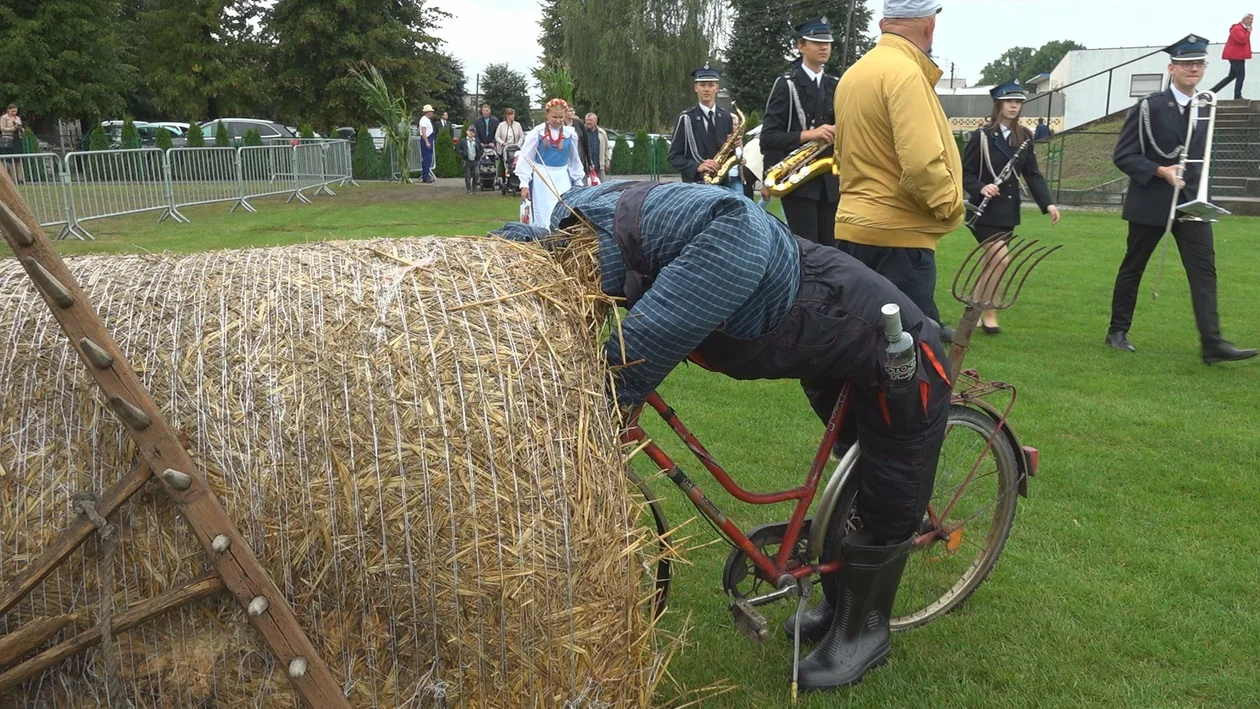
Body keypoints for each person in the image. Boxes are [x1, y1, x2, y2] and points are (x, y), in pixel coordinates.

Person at [491, 180, 952, 690]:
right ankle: (839, 594)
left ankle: (866, 631)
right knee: (853, 466)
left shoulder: (724, 234)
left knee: (892, 476)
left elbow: (651, 336)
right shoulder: (599, 219)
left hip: (885, 340)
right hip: (820, 335)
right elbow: (540, 257)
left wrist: (606, 395)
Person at [1107, 35, 1256, 364]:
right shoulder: (1149, 106)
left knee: (1204, 271)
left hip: (1192, 203)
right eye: (1187, 63)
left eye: (1199, 63)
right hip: (1151, 201)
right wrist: (1161, 170)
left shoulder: (1206, 104)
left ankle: (1212, 343)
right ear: (1171, 67)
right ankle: (1117, 331)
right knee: (1134, 267)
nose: (1194, 69)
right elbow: (1124, 156)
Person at [832, 0, 964, 341]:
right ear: (929, 25)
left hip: (854, 231)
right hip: (898, 238)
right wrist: (949, 204)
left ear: (883, 23)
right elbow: (921, 162)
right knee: (907, 360)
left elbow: (842, 154)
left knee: (861, 344)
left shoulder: (854, 74)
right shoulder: (905, 74)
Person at [961, 81, 1061, 334]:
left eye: (1018, 102)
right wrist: (981, 187)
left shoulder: (1025, 137)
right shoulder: (981, 136)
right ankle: (988, 310)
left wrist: (1048, 203)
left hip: (1007, 211)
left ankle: (975, 309)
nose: (1014, 106)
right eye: (1009, 102)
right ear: (999, 104)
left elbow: (1033, 174)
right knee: (1002, 260)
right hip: (983, 211)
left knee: (990, 264)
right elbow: (965, 173)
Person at [760, 19, 840, 245]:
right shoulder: (787, 85)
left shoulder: (835, 84)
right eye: (816, 42)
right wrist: (809, 135)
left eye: (828, 43)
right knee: (806, 251)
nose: (824, 47)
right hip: (799, 182)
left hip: (830, 183)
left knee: (833, 251)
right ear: (801, 46)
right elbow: (768, 138)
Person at [669, 65, 740, 188]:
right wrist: (697, 166)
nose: (706, 89)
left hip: (722, 185)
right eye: (702, 85)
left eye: (711, 85)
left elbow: (729, 156)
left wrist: (734, 147)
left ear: (717, 88)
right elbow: (674, 157)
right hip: (695, 186)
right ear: (695, 88)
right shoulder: (686, 118)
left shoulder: (726, 117)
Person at [516, 98, 584, 225]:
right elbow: (526, 157)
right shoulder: (537, 133)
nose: (558, 120)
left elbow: (574, 159)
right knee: (544, 210)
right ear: (547, 115)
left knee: (563, 209)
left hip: (562, 177)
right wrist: (524, 184)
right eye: (554, 117)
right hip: (542, 178)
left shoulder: (570, 134)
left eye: (561, 117)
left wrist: (578, 181)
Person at [1212, 14, 1253, 100]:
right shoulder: (1237, 28)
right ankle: (1237, 95)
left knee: (1232, 76)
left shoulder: (1241, 29)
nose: (1252, 22)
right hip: (1235, 56)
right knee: (1241, 75)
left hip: (1238, 56)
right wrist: (1248, 32)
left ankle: (1212, 91)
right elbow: (1242, 40)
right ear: (1245, 19)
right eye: (1250, 19)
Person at [583, 112, 611, 184]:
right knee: (586, 187)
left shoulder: (602, 132)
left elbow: (607, 148)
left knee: (602, 186)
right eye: (587, 120)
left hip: (599, 166)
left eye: (590, 120)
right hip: (585, 167)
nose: (588, 122)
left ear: (596, 121)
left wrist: (607, 161)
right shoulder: (582, 132)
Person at [0, 104, 24, 184]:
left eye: (15, 111)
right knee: (10, 160)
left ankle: (20, 178)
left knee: (18, 159)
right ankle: (13, 177)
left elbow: (22, 129)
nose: (14, 113)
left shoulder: (17, 118)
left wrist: (21, 129)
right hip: (8, 139)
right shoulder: (4, 118)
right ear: (8, 110)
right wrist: (13, 128)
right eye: (12, 111)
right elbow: (2, 128)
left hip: (17, 139)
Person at [459, 126, 483, 194]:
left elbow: (481, 149)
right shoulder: (463, 141)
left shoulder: (477, 141)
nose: (471, 133)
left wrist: (479, 155)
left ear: (474, 134)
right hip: (467, 161)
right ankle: (468, 189)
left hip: (475, 161)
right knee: (468, 175)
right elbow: (458, 149)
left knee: (476, 174)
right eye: (470, 131)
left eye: (473, 132)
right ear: (467, 132)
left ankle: (474, 188)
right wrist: (463, 154)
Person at [418, 104, 436, 183]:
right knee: (426, 159)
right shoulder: (423, 120)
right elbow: (423, 132)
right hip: (427, 139)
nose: (432, 113)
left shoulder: (426, 120)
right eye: (431, 112)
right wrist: (427, 142)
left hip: (429, 138)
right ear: (428, 112)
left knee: (428, 159)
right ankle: (425, 177)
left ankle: (427, 175)